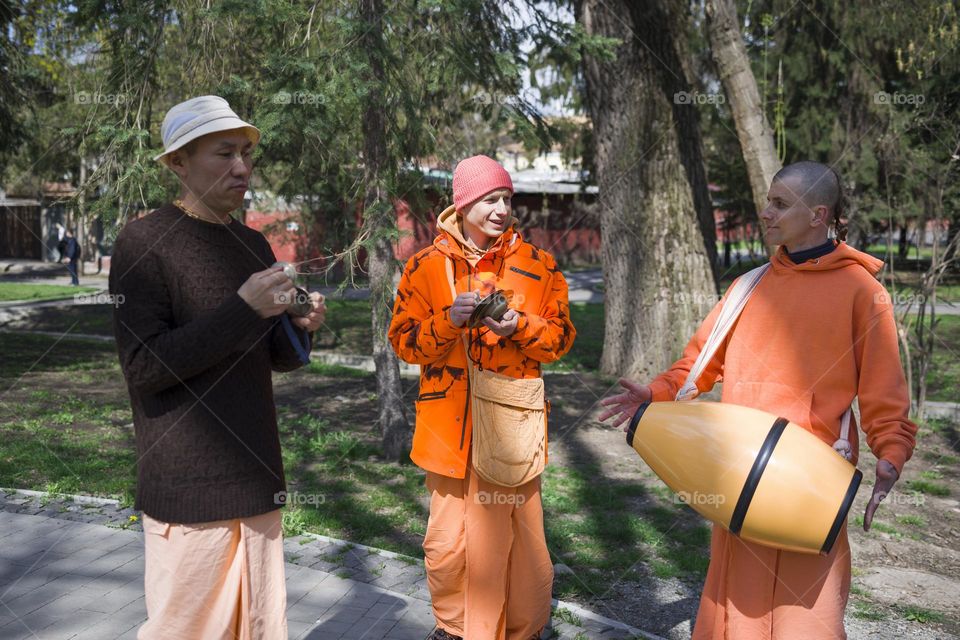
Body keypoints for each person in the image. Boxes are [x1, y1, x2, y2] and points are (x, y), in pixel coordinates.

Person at [600, 161, 917, 639]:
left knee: (805, 619)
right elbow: (697, 364)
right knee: (734, 612)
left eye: (780, 204)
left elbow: (883, 387)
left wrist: (891, 451)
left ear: (818, 214)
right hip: (739, 473)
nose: (766, 212)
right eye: (768, 201)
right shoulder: (748, 286)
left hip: (812, 483)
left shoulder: (863, 292)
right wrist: (656, 393)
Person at [109, 95, 326, 640]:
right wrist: (244, 308)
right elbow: (144, 367)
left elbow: (270, 356)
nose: (242, 168)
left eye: (246, 154)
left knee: (259, 628)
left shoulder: (252, 244)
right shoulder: (142, 243)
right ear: (178, 162)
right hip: (189, 489)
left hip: (257, 479)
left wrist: (299, 329)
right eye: (224, 153)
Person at [389, 155, 576, 640]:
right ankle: (454, 630)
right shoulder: (424, 267)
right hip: (447, 432)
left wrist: (520, 327)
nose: (501, 209)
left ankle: (524, 631)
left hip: (513, 431)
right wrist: (448, 321)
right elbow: (404, 343)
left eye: (506, 198)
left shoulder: (538, 265)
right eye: (490, 199)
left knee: (523, 547)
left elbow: (560, 339)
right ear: (463, 204)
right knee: (448, 543)